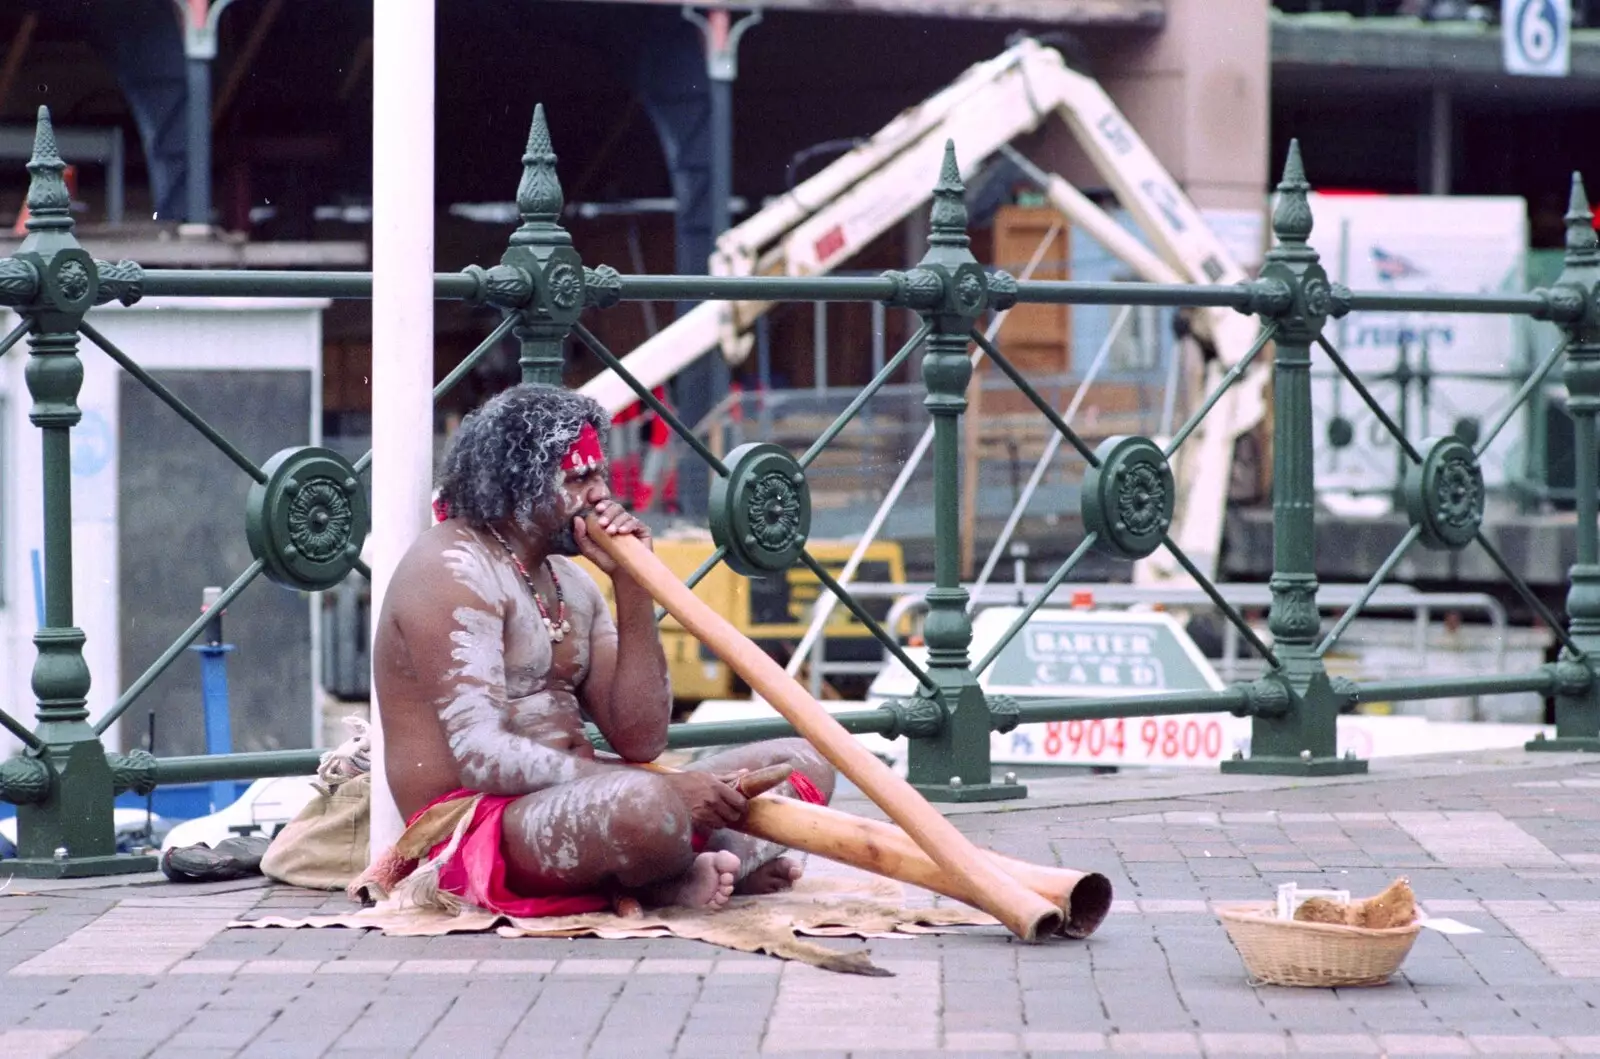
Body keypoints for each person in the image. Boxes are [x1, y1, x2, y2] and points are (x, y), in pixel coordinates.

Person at [372, 383, 834, 917]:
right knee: (649, 808)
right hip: (475, 827)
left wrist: (634, 585)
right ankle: (682, 870)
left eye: (598, 476)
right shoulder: (450, 567)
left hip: (591, 799)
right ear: (515, 486)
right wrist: (665, 793)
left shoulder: (571, 580)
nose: (599, 495)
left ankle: (691, 868)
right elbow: (482, 759)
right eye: (577, 478)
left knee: (802, 762)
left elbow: (642, 738)